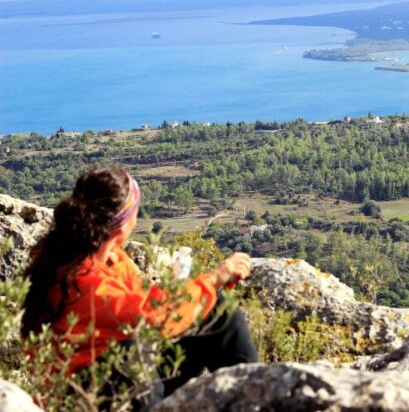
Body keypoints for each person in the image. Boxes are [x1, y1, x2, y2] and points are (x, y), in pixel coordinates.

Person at [20, 166, 258, 409]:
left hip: (124, 379)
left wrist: (202, 293)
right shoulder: (81, 279)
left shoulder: (106, 259)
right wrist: (212, 278)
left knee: (217, 310)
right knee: (131, 353)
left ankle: (256, 398)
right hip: (85, 393)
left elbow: (144, 307)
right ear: (122, 225)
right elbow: (150, 317)